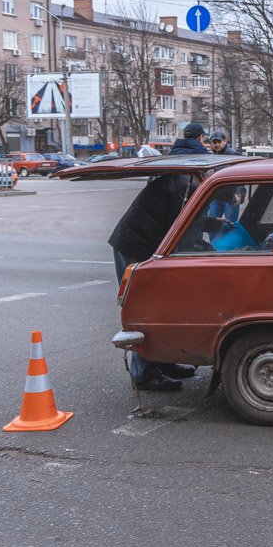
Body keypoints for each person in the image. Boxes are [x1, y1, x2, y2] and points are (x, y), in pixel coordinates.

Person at [107, 131, 208, 391]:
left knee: (163, 308)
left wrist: (213, 224)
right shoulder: (184, 184)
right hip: (135, 245)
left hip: (143, 242)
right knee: (146, 309)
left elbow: (182, 223)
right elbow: (183, 232)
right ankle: (145, 373)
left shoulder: (182, 177)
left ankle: (163, 361)